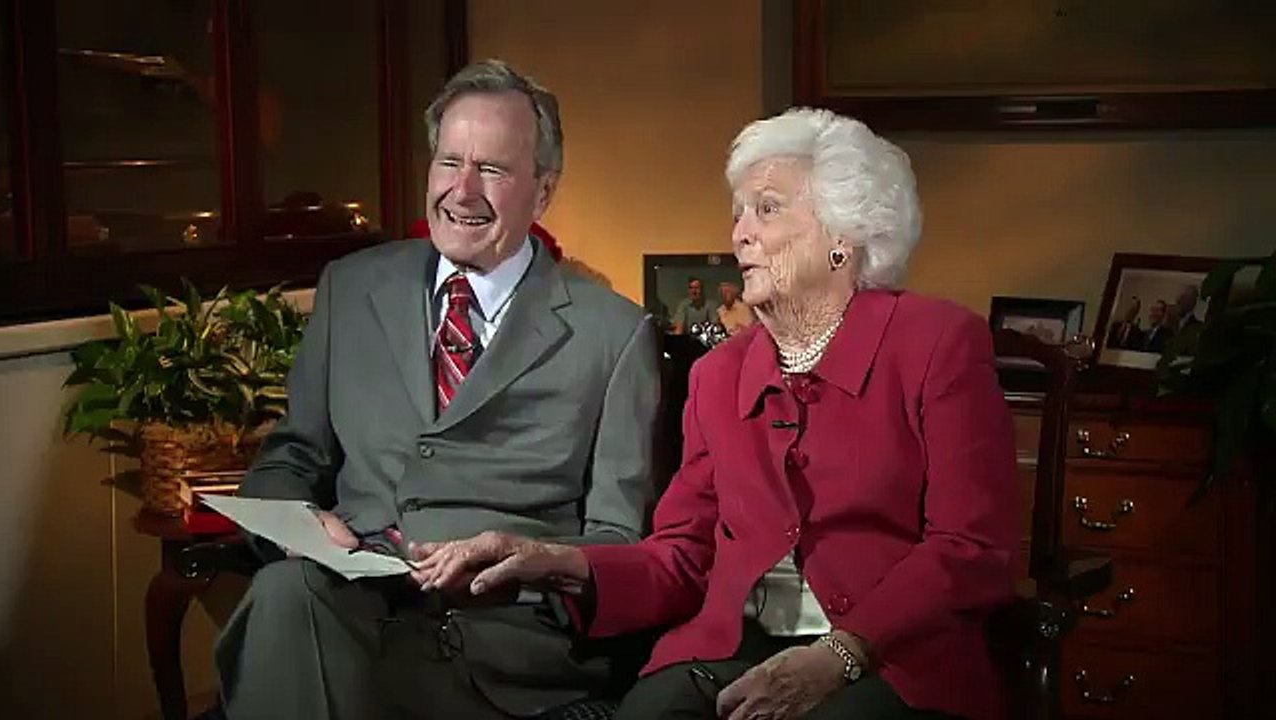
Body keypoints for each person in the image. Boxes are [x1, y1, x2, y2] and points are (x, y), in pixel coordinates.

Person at [414, 108, 1019, 720]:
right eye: (737, 213)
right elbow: (684, 556)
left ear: (844, 238)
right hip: (736, 649)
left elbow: (971, 547)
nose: (739, 234)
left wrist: (842, 653)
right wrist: (557, 562)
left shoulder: (937, 343)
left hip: (894, 659)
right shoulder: (718, 375)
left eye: (767, 208)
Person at [212, 59, 662, 720]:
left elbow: (621, 541)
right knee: (286, 596)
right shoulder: (351, 287)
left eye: (494, 171)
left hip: (495, 633)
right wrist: (301, 528)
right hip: (349, 598)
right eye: (450, 162)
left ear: (543, 191)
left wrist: (532, 557)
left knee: (328, 670)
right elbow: (289, 460)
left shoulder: (613, 333)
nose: (463, 191)